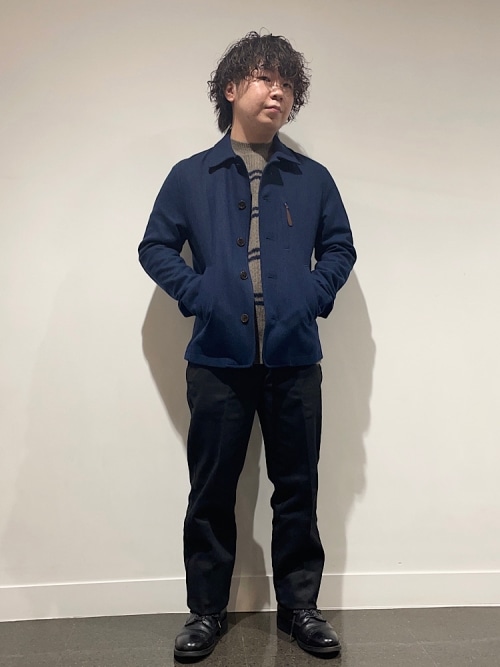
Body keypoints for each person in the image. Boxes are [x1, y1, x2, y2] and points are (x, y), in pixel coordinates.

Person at [138, 31, 356, 661]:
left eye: (287, 83)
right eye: (265, 78)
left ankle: (300, 608)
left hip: (294, 358)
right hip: (217, 358)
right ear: (232, 88)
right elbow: (155, 247)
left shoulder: (312, 178)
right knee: (211, 490)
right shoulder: (191, 176)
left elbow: (339, 247)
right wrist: (199, 294)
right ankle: (206, 612)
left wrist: (312, 294)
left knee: (298, 488)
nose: (277, 92)